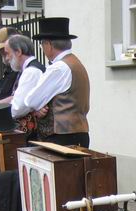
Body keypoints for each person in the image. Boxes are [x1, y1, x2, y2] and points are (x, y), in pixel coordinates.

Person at [25, 17, 90, 147]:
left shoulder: (59, 68)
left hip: (62, 138)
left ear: (48, 44)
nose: (42, 48)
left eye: (42, 44)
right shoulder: (76, 63)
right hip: (79, 134)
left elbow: (31, 101)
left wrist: (37, 107)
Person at [2, 34, 45, 139]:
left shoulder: (31, 72)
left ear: (18, 52)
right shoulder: (28, 70)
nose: (7, 58)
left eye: (8, 53)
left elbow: (17, 108)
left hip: (32, 134)